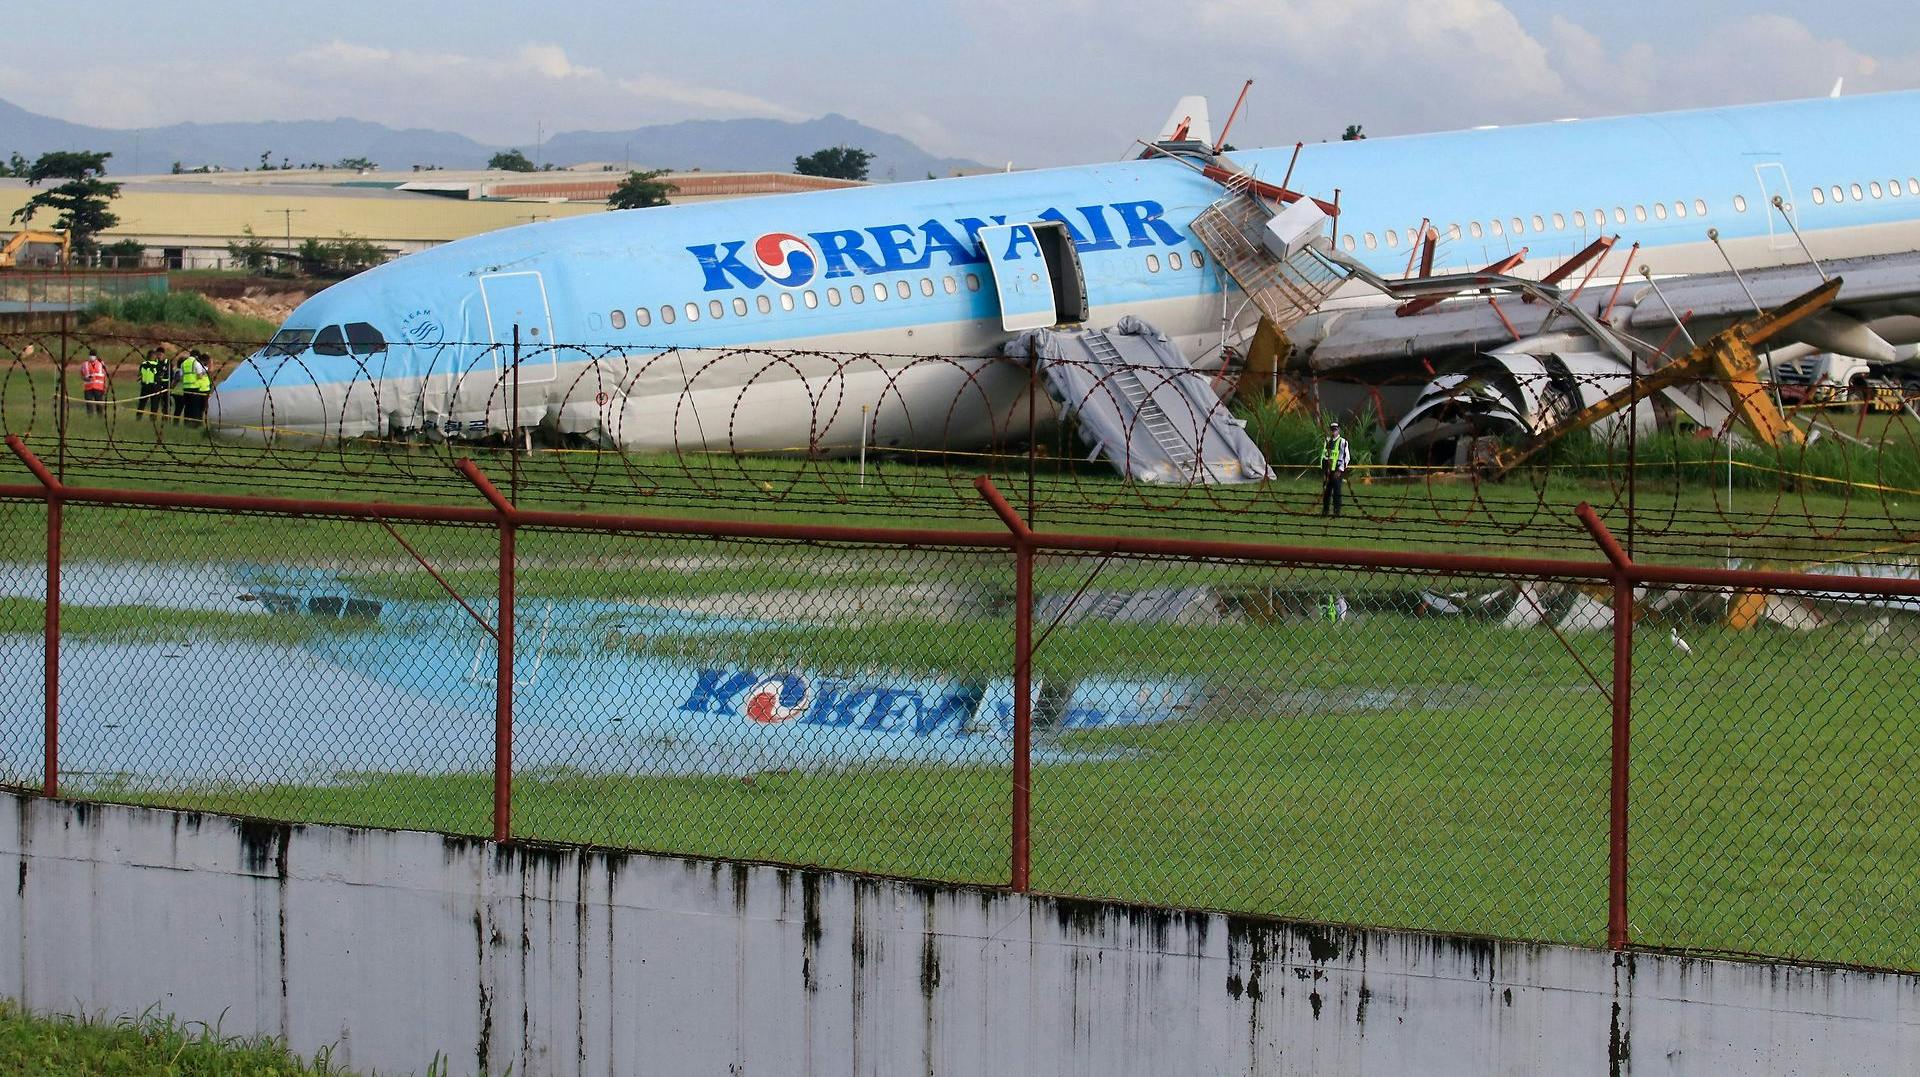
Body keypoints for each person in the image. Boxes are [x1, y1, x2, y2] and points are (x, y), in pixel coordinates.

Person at [1319, 420, 1350, 517]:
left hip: (1337, 471)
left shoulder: (1342, 442)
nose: (1333, 432)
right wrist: (1324, 470)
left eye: (1335, 430)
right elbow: (1324, 456)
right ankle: (1325, 511)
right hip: (1328, 470)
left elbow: (1346, 457)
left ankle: (1337, 512)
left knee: (1337, 492)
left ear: (1339, 430)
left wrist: (1340, 470)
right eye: (1332, 430)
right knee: (1326, 492)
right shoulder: (1327, 441)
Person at [178, 350, 211, 423]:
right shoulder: (196, 363)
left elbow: (181, 377)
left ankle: (186, 422)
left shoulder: (183, 363)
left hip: (186, 388)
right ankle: (195, 423)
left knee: (187, 407)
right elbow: (199, 376)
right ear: (196, 356)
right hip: (195, 388)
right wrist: (204, 373)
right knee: (195, 407)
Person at [79, 351, 108, 416]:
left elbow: (104, 375)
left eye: (93, 355)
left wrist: (105, 387)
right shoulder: (85, 364)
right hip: (88, 388)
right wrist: (85, 378)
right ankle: (90, 418)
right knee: (89, 404)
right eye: (91, 355)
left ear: (96, 356)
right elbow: (81, 374)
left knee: (99, 405)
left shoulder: (101, 363)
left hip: (99, 387)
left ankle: (100, 417)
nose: (92, 357)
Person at [136, 348, 163, 414]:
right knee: (154, 404)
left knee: (142, 403)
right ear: (153, 356)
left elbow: (139, 374)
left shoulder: (143, 364)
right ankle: (153, 419)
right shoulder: (157, 365)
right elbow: (161, 375)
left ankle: (138, 417)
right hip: (154, 387)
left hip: (145, 386)